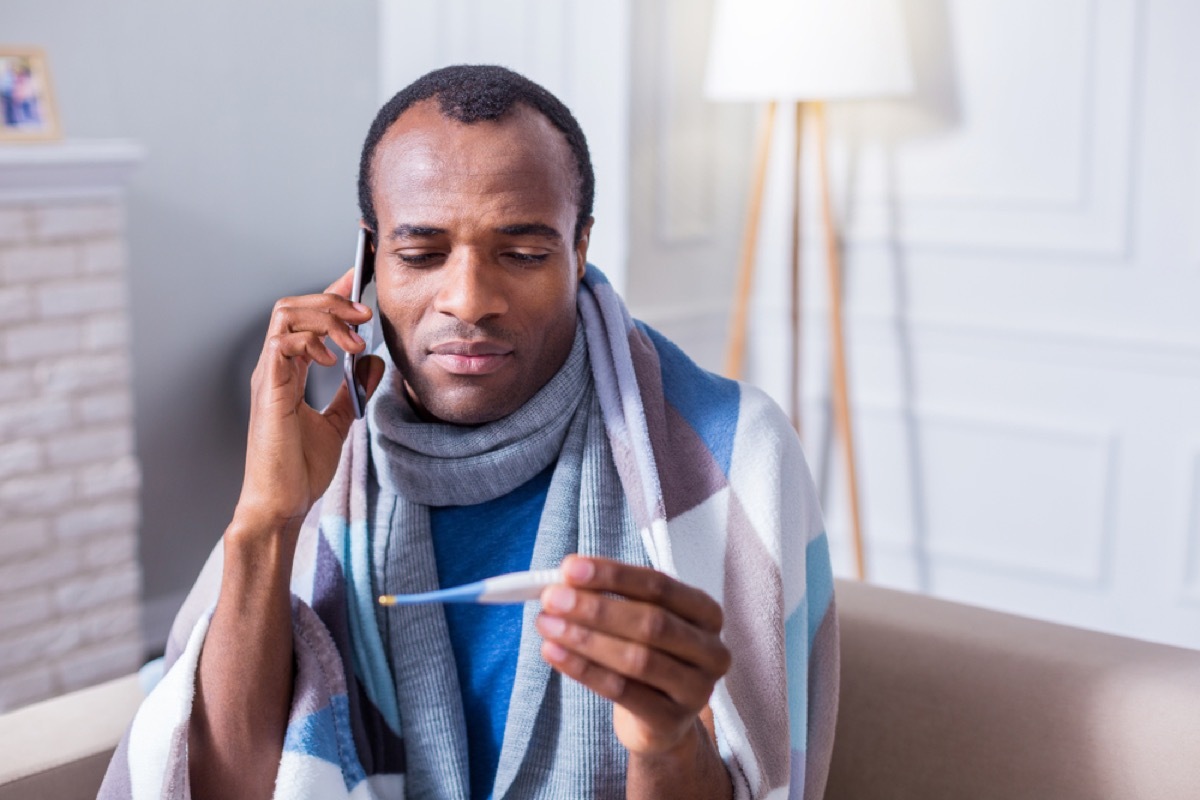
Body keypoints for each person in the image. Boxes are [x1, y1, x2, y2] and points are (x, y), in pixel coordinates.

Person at [100, 65, 838, 800]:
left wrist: (665, 740)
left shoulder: (735, 455)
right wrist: (267, 521)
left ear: (580, 250)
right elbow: (222, 789)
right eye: (420, 255)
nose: (469, 300)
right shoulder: (322, 471)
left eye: (522, 254)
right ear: (369, 258)